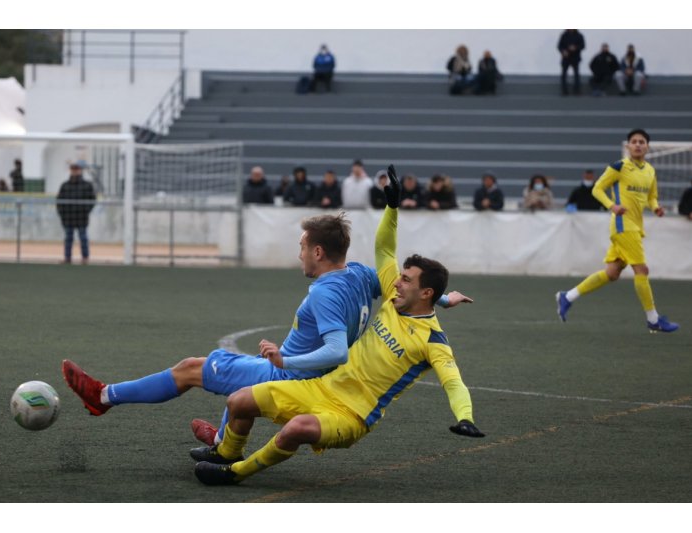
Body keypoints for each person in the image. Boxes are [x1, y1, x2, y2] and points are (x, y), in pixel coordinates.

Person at [62, 175, 469, 447]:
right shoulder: (362, 275)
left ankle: (103, 396)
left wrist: (284, 358)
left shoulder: (325, 294)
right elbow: (403, 293)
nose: (299, 254)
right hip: (323, 381)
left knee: (190, 369)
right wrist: (443, 301)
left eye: (302, 246)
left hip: (290, 374)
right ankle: (223, 441)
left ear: (318, 251)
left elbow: (336, 349)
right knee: (220, 374)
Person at [190, 189, 483, 486]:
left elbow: (453, 382)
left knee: (295, 429)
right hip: (322, 388)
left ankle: (234, 473)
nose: (396, 281)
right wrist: (392, 206)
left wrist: (465, 417)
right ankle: (227, 453)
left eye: (406, 279)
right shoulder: (396, 297)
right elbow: (384, 248)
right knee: (239, 401)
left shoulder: (433, 341)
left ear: (426, 293)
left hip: (352, 415)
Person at [556, 129, 679, 333]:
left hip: (635, 227)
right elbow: (597, 188)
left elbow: (651, 196)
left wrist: (656, 207)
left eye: (641, 142)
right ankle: (653, 319)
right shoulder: (619, 166)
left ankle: (567, 297)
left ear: (647, 146)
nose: (638, 144)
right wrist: (612, 206)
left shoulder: (650, 170)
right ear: (628, 146)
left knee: (611, 273)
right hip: (623, 225)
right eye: (634, 141)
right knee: (642, 270)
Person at [56, 162, 96, 265]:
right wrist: (62, 214)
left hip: (82, 217)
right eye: (73, 170)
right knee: (68, 238)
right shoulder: (65, 185)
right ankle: (67, 257)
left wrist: (86, 211)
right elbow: (59, 201)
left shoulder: (87, 185)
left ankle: (85, 258)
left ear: (80, 171)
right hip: (68, 217)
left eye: (76, 169)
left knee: (83, 238)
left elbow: (92, 200)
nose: (74, 172)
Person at [558, 29, 585, 96]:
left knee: (576, 74)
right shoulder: (564, 35)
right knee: (564, 74)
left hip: (575, 58)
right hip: (566, 58)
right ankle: (564, 91)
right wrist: (563, 51)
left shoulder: (579, 35)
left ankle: (577, 91)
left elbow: (582, 46)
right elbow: (559, 46)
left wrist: (575, 48)